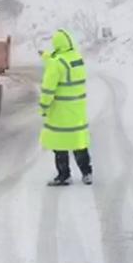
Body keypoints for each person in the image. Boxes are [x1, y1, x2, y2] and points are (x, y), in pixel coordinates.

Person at [39, 29, 93, 187]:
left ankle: (64, 175)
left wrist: (44, 106)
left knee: (59, 144)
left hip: (60, 112)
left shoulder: (56, 64)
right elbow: (60, 60)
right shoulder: (76, 58)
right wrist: (45, 55)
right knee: (79, 143)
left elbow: (48, 88)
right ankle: (87, 173)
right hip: (77, 110)